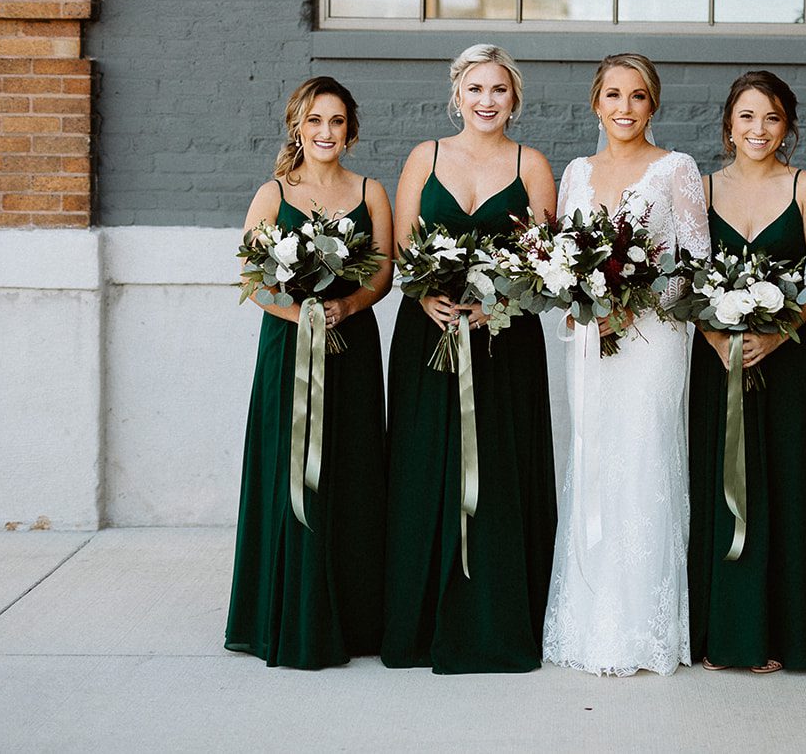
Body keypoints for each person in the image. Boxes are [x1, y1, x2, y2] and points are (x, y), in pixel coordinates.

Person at [382, 45, 558, 673]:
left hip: (502, 342)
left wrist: (501, 304)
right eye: (476, 89)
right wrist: (425, 293)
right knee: (428, 466)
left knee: (501, 471)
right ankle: (418, 625)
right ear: (456, 94)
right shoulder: (422, 158)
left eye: (499, 90)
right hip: (429, 337)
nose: (487, 101)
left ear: (515, 99)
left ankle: (498, 623)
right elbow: (401, 251)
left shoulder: (531, 164)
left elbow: (546, 263)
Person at [542, 53, 709, 676]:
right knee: (592, 459)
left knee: (643, 458)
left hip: (653, 341)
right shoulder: (576, 172)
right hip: (589, 341)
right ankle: (588, 624)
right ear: (595, 102)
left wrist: (631, 304)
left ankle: (643, 629)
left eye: (638, 96)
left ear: (653, 104)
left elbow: (694, 265)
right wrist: (580, 303)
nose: (624, 108)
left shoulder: (677, 170)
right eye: (613, 95)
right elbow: (562, 260)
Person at [225, 76, 394, 669]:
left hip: (354, 350)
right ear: (297, 126)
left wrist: (346, 306)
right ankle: (286, 613)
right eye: (315, 121)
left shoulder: (371, 191)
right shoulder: (273, 194)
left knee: (350, 470)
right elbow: (252, 279)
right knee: (291, 469)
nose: (326, 132)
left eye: (337, 122)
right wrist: (302, 314)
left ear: (350, 130)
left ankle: (352, 619)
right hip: (290, 346)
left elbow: (382, 275)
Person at [689, 71, 806, 673]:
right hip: (717, 359)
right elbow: (682, 277)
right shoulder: (699, 188)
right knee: (723, 487)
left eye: (772, 118)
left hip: (788, 360)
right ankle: (726, 631)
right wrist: (714, 335)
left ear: (788, 126)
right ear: (729, 124)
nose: (759, 129)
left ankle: (785, 632)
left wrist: (776, 335)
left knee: (787, 483)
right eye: (748, 116)